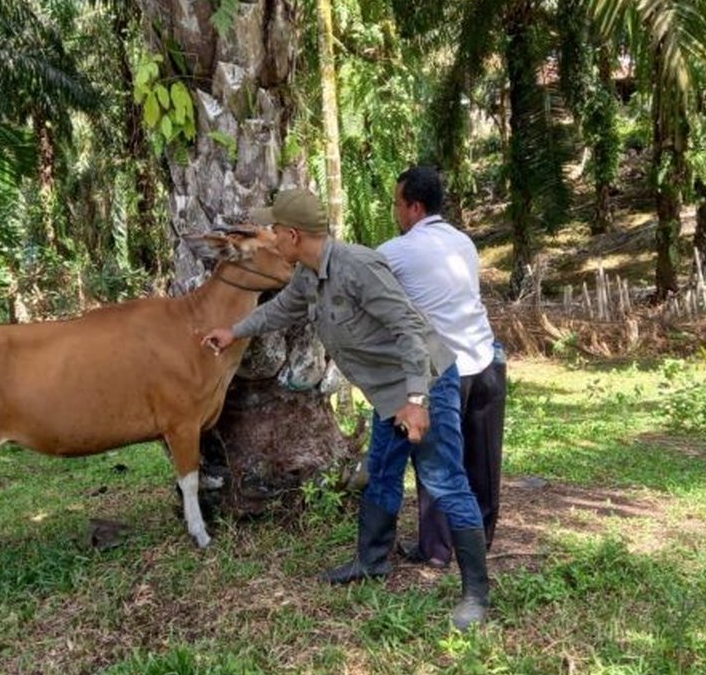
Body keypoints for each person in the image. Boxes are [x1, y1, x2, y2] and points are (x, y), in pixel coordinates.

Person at [202, 188, 490, 630]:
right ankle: (372, 561)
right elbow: (282, 310)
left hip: (424, 383)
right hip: (387, 393)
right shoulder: (309, 274)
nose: (271, 238)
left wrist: (416, 401)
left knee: (444, 481)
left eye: (275, 230)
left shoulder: (358, 267)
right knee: (382, 472)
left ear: (293, 235)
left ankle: (476, 595)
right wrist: (234, 331)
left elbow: (410, 330)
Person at [378, 166, 507, 568]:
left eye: (398, 204)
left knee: (437, 461)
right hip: (485, 360)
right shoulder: (463, 242)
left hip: (443, 370)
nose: (396, 212)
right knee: (483, 458)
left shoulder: (395, 251)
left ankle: (436, 549)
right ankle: (479, 539)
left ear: (414, 207)